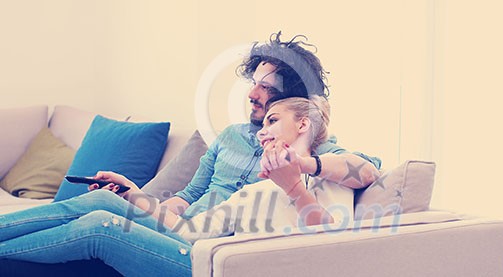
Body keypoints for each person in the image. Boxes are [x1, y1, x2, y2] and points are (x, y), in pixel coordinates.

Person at [1, 96, 358, 276]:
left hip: (225, 269)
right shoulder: (255, 191)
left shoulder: (330, 174)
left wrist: (295, 186)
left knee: (100, 228)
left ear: (303, 124)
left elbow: (335, 246)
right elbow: (189, 230)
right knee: (102, 203)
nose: (261, 131)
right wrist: (133, 194)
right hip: (199, 251)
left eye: (273, 120)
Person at [164, 31, 381, 219]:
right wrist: (153, 218)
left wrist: (302, 163)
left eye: (265, 87)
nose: (251, 94)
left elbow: (368, 171)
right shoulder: (231, 135)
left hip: (213, 248)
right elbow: (190, 195)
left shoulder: (309, 146)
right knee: (130, 216)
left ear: (291, 96)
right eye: (253, 83)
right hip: (182, 230)